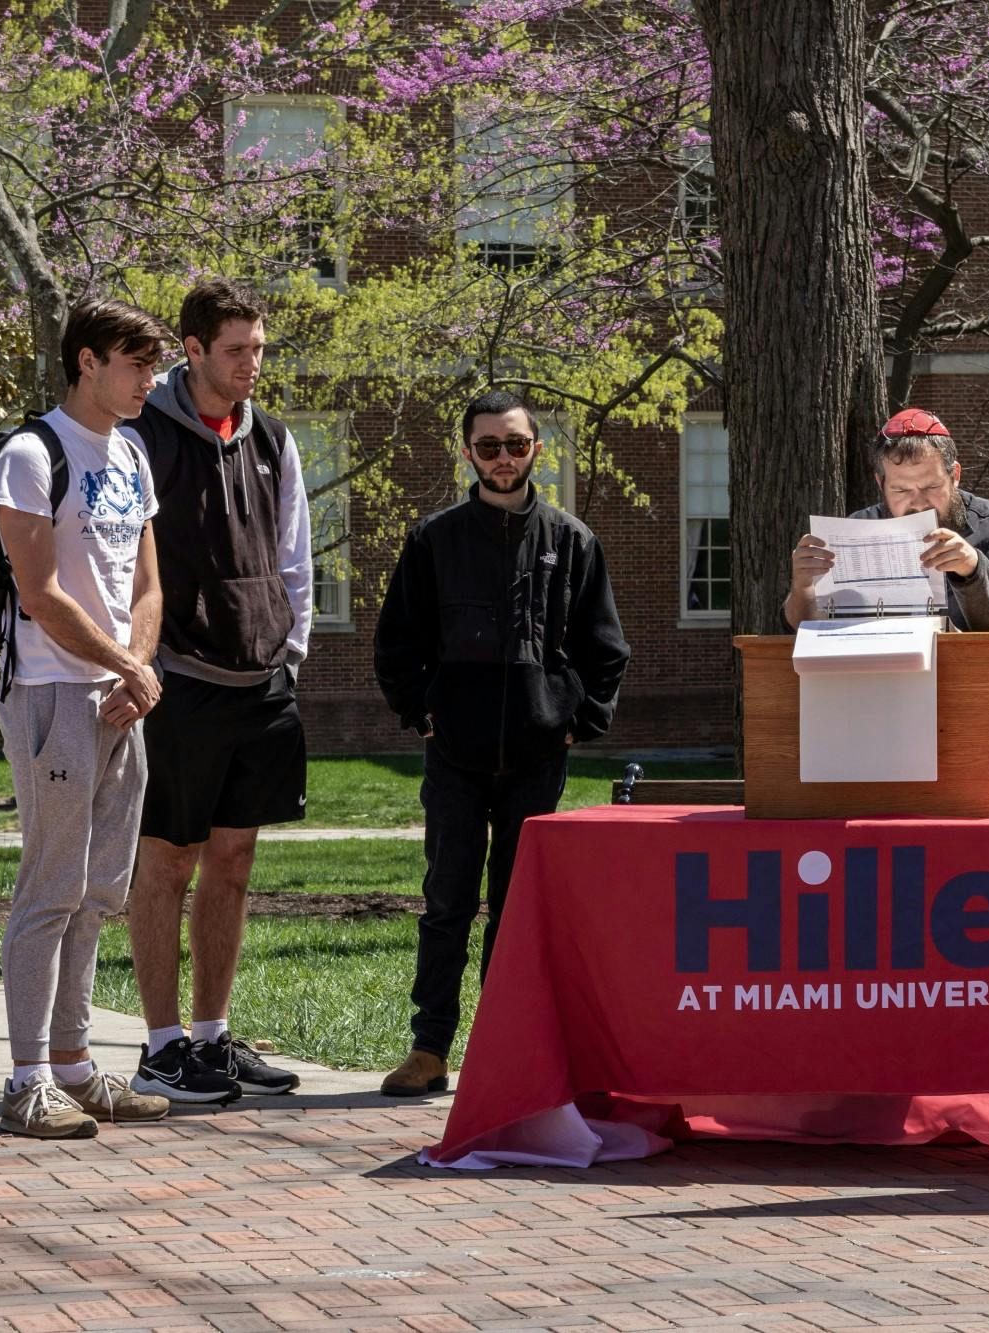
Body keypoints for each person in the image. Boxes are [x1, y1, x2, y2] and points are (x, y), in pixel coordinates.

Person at [373, 389, 631, 1096]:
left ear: (536, 449)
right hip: (453, 754)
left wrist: (574, 720)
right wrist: (422, 714)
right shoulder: (434, 539)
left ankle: (505, 1048)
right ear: (468, 453)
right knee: (447, 900)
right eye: (489, 446)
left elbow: (606, 651)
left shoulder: (572, 541)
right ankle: (429, 1048)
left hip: (536, 757)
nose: (504, 458)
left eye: (516, 444)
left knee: (518, 910)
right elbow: (397, 645)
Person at [0, 298, 177, 1138]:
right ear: (89, 361)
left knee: (100, 891)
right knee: (50, 888)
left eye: (154, 366)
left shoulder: (131, 450)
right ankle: (27, 1077)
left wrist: (136, 673)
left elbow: (147, 586)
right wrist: (123, 665)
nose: (150, 381)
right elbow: (39, 592)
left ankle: (73, 1064)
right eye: (137, 365)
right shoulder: (31, 455)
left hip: (118, 697)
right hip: (52, 694)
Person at [125, 280, 314, 1104]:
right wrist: (141, 663)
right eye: (236, 350)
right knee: (169, 858)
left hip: (261, 680)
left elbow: (294, 550)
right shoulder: (142, 436)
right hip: (180, 682)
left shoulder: (272, 436)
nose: (251, 365)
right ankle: (162, 1046)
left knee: (234, 861)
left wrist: (292, 647)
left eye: (259, 348)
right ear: (192, 349)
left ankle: (212, 1036)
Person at [784, 408, 989, 634]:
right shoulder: (857, 528)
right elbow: (806, 627)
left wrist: (973, 569)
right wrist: (804, 585)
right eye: (901, 491)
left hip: (976, 684)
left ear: (954, 475)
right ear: (880, 483)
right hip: (874, 684)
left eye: (931, 486)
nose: (918, 503)